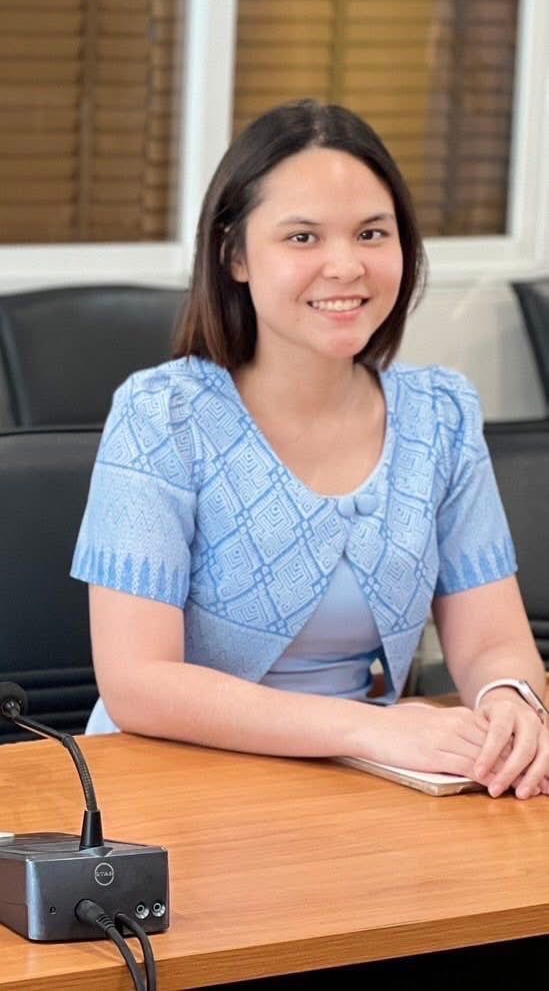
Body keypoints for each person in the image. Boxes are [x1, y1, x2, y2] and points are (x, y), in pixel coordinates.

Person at [72, 100, 549, 799]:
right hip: (168, 783)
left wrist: (510, 698)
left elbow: (488, 642)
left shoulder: (439, 413)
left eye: (370, 233)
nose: (344, 266)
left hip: (361, 784)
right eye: (301, 238)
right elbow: (138, 684)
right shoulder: (163, 415)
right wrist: (364, 726)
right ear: (233, 255)